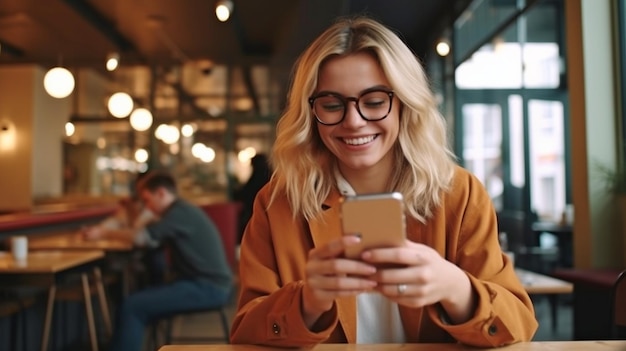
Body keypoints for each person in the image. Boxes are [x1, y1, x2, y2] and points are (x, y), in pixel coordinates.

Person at [230, 16, 537, 347]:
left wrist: (456, 287)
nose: (353, 121)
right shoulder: (278, 203)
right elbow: (246, 330)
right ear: (310, 114)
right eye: (332, 105)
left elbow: (517, 324)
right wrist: (306, 302)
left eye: (374, 102)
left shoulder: (459, 194)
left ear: (405, 104)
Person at [85, 171, 233, 351]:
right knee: (138, 299)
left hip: (208, 288)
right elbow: (147, 237)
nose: (147, 207)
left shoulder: (179, 213)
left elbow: (140, 237)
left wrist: (104, 233)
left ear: (161, 193)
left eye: (147, 200)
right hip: (206, 283)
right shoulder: (180, 211)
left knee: (133, 306)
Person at [234, 153, 272, 245]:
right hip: (268, 219)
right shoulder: (271, 179)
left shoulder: (256, 179)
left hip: (253, 216)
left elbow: (243, 194)